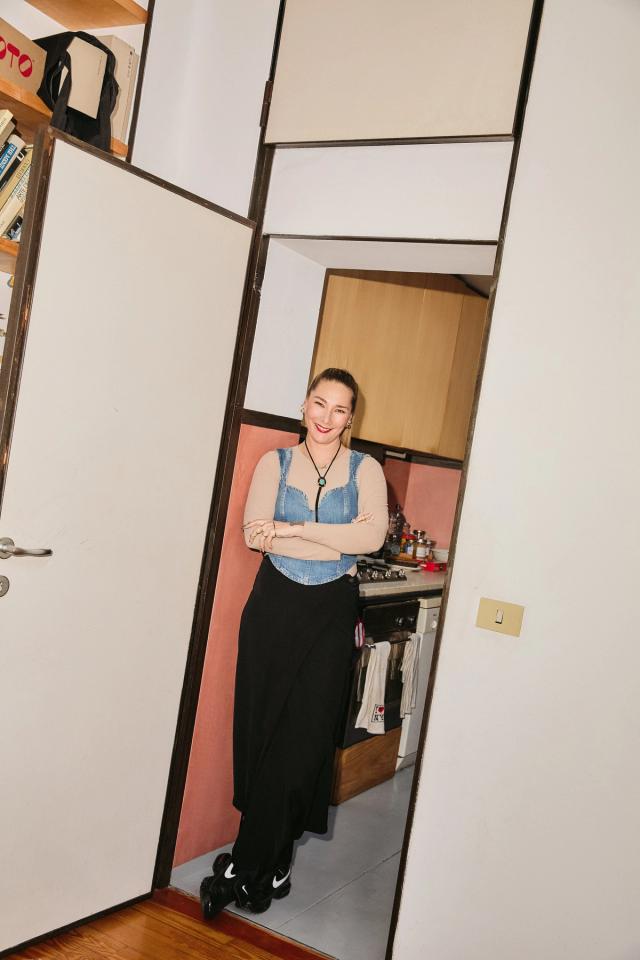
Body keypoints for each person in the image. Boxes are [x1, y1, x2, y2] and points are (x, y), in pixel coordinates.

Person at [200, 368, 388, 919]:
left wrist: (294, 529)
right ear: (305, 404)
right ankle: (271, 864)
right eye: (319, 403)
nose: (327, 417)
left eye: (339, 409)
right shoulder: (274, 463)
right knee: (263, 730)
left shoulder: (366, 469)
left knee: (304, 739)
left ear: (350, 418)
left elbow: (372, 537)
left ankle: (245, 868)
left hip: (330, 612)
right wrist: (334, 539)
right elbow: (253, 533)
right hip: (273, 608)